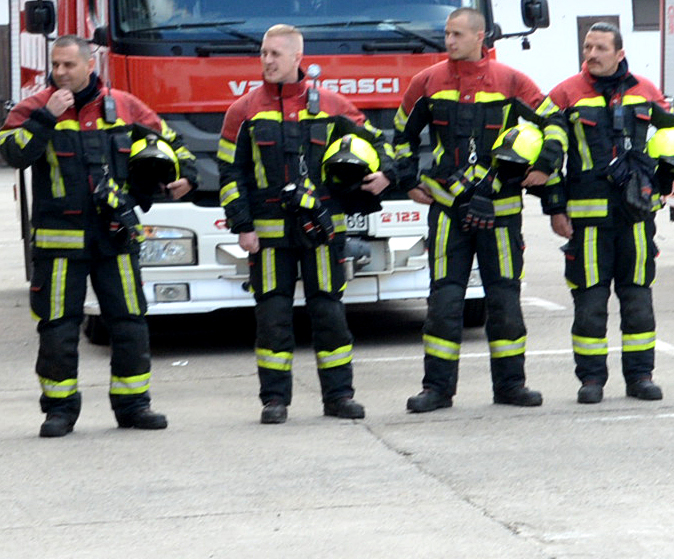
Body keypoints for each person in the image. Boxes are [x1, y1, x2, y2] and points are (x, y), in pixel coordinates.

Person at [2, 37, 187, 435]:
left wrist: (182, 175)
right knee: (57, 329)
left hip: (115, 239)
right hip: (58, 245)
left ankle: (134, 406)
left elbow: (171, 144)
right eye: (56, 65)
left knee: (129, 323)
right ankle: (59, 411)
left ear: (89, 65)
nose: (61, 72)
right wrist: (45, 119)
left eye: (69, 64)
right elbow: (11, 153)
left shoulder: (123, 106)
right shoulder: (35, 107)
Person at [218, 25, 386, 422]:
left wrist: (386, 174)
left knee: (329, 313)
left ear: (298, 58)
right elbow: (230, 174)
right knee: (272, 318)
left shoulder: (332, 105)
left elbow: (378, 145)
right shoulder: (242, 111)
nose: (267, 61)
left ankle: (339, 397)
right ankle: (274, 401)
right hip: (269, 239)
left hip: (324, 233)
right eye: (263, 53)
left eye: (276, 54)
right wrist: (243, 225)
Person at [392, 7, 555, 413]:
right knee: (444, 302)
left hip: (500, 212)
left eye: (457, 34)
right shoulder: (427, 82)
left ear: (481, 36)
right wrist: (408, 181)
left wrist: (545, 166)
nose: (449, 41)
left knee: (504, 300)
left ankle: (511, 387)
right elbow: (400, 136)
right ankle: (437, 390)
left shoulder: (512, 81)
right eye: (447, 34)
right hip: (448, 210)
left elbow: (554, 125)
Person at [540, 22, 674, 404]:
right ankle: (591, 380)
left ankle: (640, 377)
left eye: (600, 48)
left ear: (619, 54)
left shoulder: (646, 91)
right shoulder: (564, 94)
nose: (590, 54)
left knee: (638, 301)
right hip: (586, 223)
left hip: (637, 219)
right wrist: (555, 207)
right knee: (589, 304)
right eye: (587, 47)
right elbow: (549, 157)